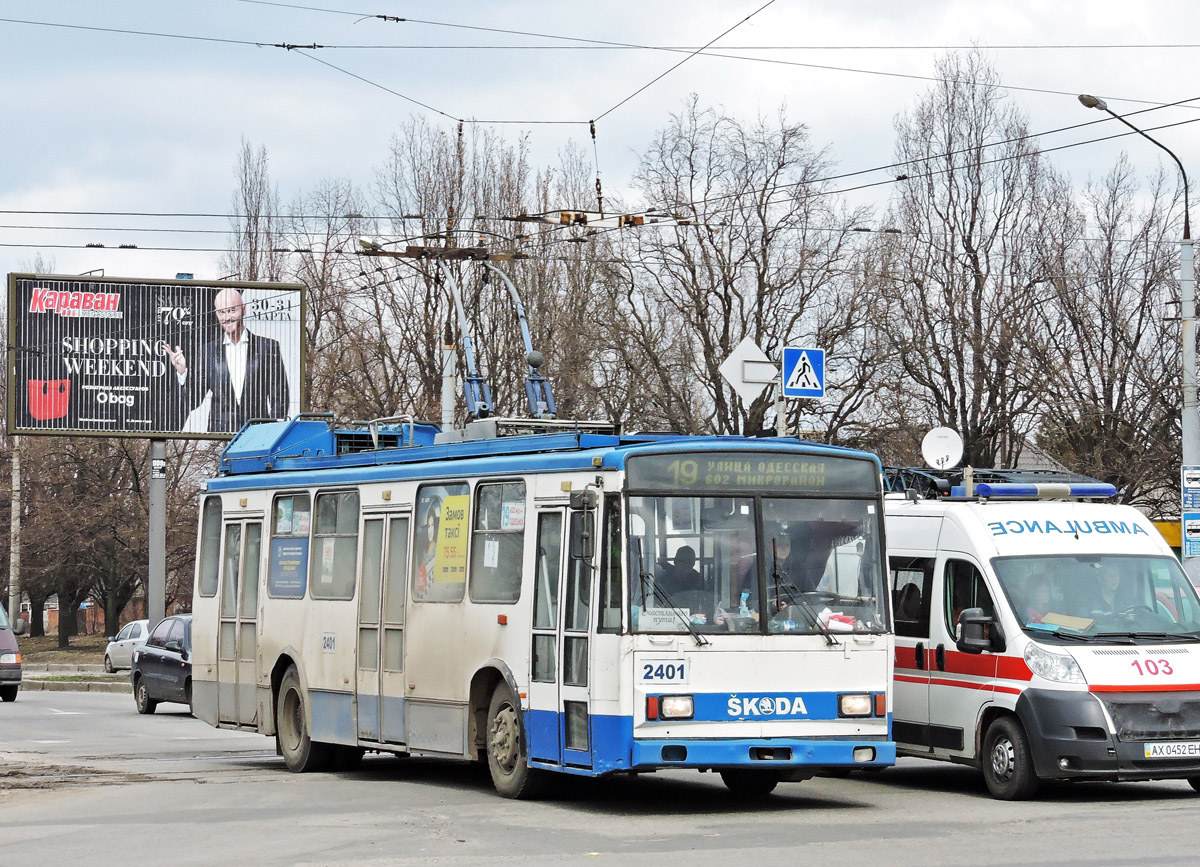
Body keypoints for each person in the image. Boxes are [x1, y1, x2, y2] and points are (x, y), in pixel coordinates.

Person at [165, 287, 290, 432]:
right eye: (221, 312)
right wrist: (183, 373)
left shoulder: (268, 347)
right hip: (219, 438)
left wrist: (273, 432)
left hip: (258, 434)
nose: (227, 318)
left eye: (232, 310)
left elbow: (280, 395)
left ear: (243, 310)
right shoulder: (208, 352)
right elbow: (193, 401)